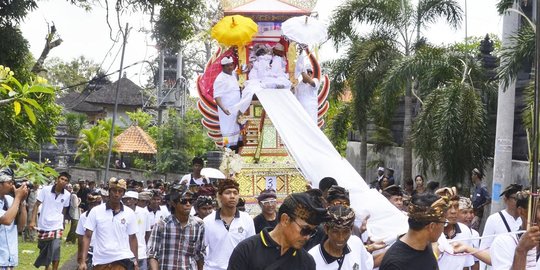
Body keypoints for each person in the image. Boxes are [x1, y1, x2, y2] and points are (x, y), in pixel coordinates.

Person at [227, 192, 329, 269]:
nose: (307, 237)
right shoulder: (246, 250)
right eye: (305, 230)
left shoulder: (306, 262)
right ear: (285, 220)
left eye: (312, 232)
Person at [78, 178, 139, 270]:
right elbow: (87, 236)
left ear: (123, 193)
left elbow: (133, 238)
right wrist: (83, 261)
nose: (117, 194)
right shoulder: (96, 211)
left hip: (123, 259)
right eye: (114, 190)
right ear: (109, 192)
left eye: (120, 191)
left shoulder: (129, 213)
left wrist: (136, 262)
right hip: (101, 261)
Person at [379, 193, 449, 270]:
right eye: (444, 223)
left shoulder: (425, 246)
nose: (443, 229)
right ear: (432, 226)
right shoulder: (395, 264)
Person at [147, 187, 206, 270]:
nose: (188, 204)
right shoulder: (162, 225)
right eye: (183, 201)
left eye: (191, 201)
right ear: (173, 203)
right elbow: (152, 254)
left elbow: (200, 255)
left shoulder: (199, 225)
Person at [203, 179, 255, 270]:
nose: (232, 196)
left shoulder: (247, 219)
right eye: (228, 193)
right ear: (219, 196)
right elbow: (200, 250)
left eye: (235, 193)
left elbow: (251, 249)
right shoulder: (208, 221)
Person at [308, 205, 373, 270]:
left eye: (345, 232)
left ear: (352, 229)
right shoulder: (312, 259)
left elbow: (366, 265)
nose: (341, 238)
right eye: (335, 232)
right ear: (326, 229)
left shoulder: (356, 244)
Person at [29, 171, 71, 270]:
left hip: (57, 226)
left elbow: (64, 209)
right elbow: (36, 205)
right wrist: (32, 221)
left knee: (56, 249)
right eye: (62, 179)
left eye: (66, 180)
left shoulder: (67, 195)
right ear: (57, 179)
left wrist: (62, 222)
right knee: (44, 249)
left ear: (67, 183)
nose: (63, 181)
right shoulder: (45, 190)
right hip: (43, 225)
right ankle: (47, 267)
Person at [478, 183, 522, 267]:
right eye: (515, 198)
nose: (518, 202)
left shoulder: (524, 220)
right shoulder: (494, 219)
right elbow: (484, 248)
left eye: (520, 199)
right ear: (506, 199)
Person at [434, 187, 474, 270]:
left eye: (456, 206)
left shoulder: (465, 231)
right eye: (448, 207)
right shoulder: (431, 233)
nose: (453, 211)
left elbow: (465, 265)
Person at [0, 168, 28, 269]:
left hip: (9, 259)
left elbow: (21, 227)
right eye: (9, 182)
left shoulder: (10, 200)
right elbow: (6, 220)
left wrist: (22, 202)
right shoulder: (14, 199)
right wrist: (18, 198)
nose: (12, 186)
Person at [214, 56, 242, 149]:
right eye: (228, 66)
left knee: (238, 133)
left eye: (231, 65)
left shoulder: (234, 74)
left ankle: (238, 153)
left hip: (237, 110)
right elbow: (217, 96)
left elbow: (241, 71)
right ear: (223, 67)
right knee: (228, 133)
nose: (230, 67)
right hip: (227, 111)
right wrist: (224, 109)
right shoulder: (220, 79)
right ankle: (228, 153)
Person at [122, 191, 152, 270]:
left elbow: (147, 232)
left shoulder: (144, 213)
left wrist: (145, 247)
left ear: (136, 200)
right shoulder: (121, 212)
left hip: (141, 252)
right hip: (125, 253)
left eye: (130, 199)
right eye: (125, 199)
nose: (127, 201)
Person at [76, 191, 102, 270]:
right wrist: (80, 254)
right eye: (91, 204)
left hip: (103, 253)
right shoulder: (84, 217)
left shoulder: (106, 216)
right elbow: (80, 237)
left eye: (95, 204)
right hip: (89, 252)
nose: (93, 207)